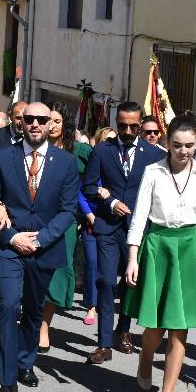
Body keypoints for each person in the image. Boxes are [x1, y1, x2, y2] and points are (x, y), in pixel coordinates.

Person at [0, 102, 79, 392]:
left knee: (35, 311)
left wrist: (39, 240)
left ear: (50, 124)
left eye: (42, 119)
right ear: (21, 122)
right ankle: (7, 380)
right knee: (8, 305)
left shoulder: (65, 162)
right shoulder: (2, 157)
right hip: (7, 247)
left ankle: (25, 361)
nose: (35, 124)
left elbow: (68, 210)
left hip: (44, 248)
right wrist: (11, 238)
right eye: (29, 119)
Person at [122, 114, 196, 392]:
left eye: (189, 145)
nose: (183, 151)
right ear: (168, 143)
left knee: (180, 327)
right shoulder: (153, 172)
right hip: (157, 248)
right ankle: (145, 357)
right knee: (155, 328)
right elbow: (139, 216)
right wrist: (132, 258)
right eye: (177, 145)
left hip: (190, 250)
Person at [81, 102, 163, 363]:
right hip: (107, 226)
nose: (128, 130)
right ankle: (104, 343)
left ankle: (123, 330)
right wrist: (110, 201)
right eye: (123, 125)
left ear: (140, 125)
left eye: (133, 126)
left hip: (137, 231)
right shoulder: (102, 152)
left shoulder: (152, 155)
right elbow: (88, 186)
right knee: (105, 281)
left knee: (130, 282)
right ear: (117, 124)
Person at [35, 104, 91, 352]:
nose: (53, 124)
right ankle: (32, 318)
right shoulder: (34, 147)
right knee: (34, 270)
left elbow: (96, 175)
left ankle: (44, 325)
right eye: (50, 120)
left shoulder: (79, 151)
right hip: (36, 217)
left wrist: (99, 196)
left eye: (57, 120)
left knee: (57, 272)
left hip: (65, 221)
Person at [81, 126, 117, 328]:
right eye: (107, 140)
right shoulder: (96, 161)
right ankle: (91, 306)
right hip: (92, 221)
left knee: (106, 268)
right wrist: (90, 216)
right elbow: (81, 192)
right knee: (93, 262)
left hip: (111, 222)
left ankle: (104, 303)